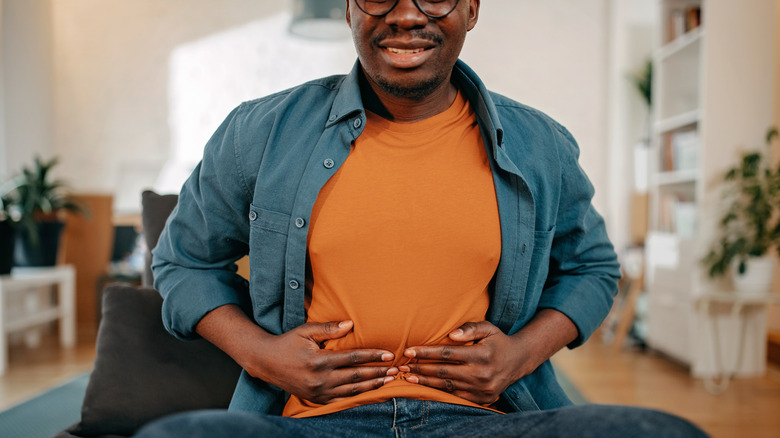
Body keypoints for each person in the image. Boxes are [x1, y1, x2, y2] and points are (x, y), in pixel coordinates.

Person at [140, 0, 708, 436]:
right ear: (348, 8)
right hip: (312, 421)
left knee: (662, 432)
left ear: (472, 9)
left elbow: (592, 268)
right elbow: (182, 261)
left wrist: (518, 356)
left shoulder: (541, 144)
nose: (406, 15)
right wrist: (263, 356)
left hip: (483, 420)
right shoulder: (260, 131)